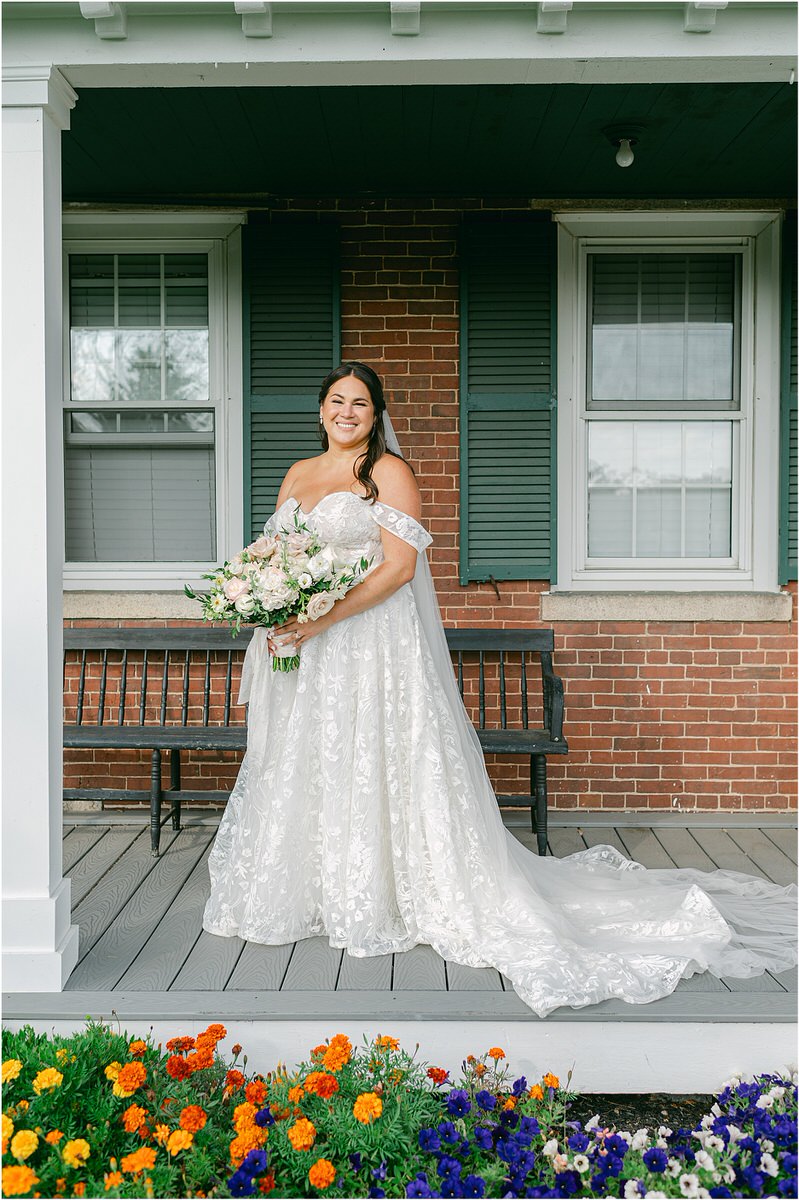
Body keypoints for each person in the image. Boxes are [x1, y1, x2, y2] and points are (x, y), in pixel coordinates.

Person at [202, 361, 797, 1018]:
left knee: (372, 757)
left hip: (367, 647)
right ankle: (312, 888)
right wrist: (272, 604)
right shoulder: (297, 474)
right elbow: (274, 556)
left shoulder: (389, 474)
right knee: (310, 762)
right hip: (304, 652)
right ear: (320, 410)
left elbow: (399, 569)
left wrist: (321, 618)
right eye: (337, 401)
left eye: (361, 404)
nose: (347, 412)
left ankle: (383, 892)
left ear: (376, 416)